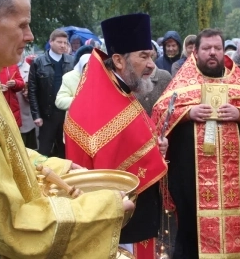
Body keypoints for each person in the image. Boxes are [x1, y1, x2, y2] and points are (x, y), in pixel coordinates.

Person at [0, 0, 134, 259]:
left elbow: (2, 152)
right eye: (23, 25)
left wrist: (58, 168)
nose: (30, 36)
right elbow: (7, 223)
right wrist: (105, 208)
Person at [152, 28, 240, 259]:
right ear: (195, 50)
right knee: (191, 221)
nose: (212, 53)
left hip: (230, 169)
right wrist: (188, 113)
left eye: (217, 48)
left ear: (224, 50)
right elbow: (161, 113)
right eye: (207, 48)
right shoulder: (183, 79)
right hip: (189, 169)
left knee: (233, 216)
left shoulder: (237, 79)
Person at [64, 13, 168, 259]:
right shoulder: (96, 102)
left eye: (151, 56)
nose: (152, 65)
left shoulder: (120, 90)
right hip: (122, 226)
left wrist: (156, 147)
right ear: (119, 60)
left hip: (140, 214)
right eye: (144, 56)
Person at [28, 29, 75, 158]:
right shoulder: (39, 62)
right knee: (44, 151)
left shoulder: (71, 61)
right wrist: (36, 115)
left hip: (66, 115)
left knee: (65, 150)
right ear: (51, 42)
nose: (63, 45)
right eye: (59, 42)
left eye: (65, 43)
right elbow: (32, 90)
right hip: (46, 114)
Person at [17, 55, 38, 149]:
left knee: (28, 145)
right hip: (10, 110)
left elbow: (36, 92)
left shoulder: (29, 69)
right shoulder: (4, 68)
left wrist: (28, 93)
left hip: (25, 113)